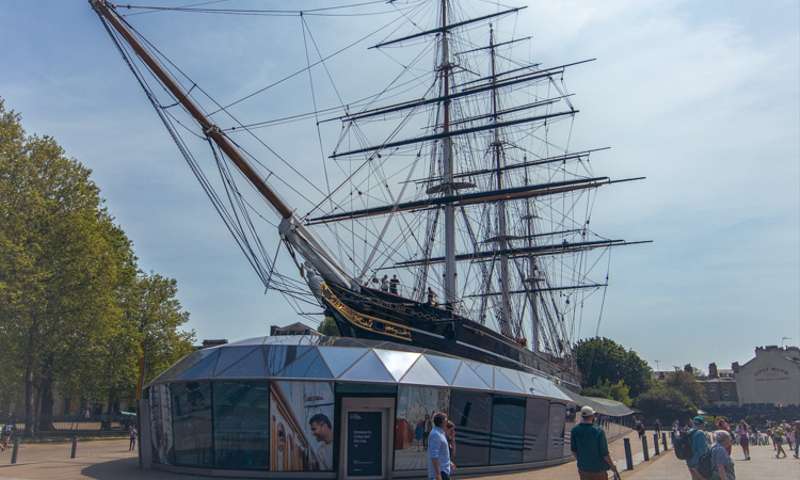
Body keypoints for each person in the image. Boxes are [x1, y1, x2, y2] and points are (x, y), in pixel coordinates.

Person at [570, 406, 620, 480]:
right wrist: (612, 466)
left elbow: (573, 450)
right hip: (598, 469)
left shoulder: (574, 430)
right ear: (592, 416)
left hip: (583, 469)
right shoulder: (599, 431)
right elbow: (605, 453)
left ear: (582, 416)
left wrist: (582, 460)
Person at [427, 412, 453, 480]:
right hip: (441, 473)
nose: (447, 422)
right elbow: (434, 456)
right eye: (446, 420)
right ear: (442, 422)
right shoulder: (436, 434)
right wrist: (438, 475)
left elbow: (441, 452)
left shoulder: (440, 433)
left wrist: (449, 462)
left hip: (444, 471)